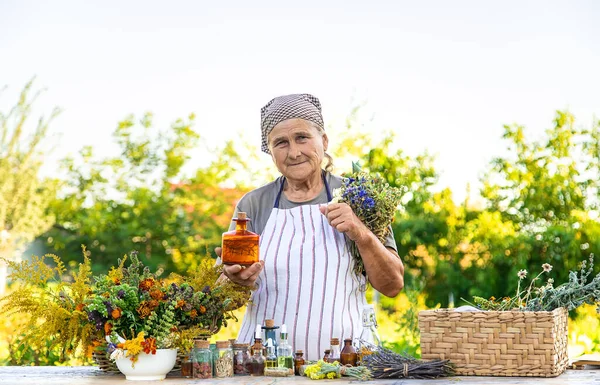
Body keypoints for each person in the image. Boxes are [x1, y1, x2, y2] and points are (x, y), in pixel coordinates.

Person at [215, 93, 404, 360]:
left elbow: (393, 285)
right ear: (270, 151)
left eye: (302, 137)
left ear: (324, 141)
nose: (294, 152)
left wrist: (361, 233)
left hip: (347, 364)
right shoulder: (254, 205)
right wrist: (233, 281)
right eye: (281, 143)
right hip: (263, 367)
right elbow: (219, 295)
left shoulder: (360, 197)